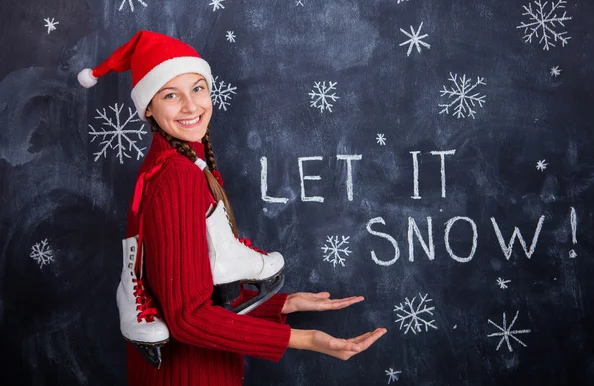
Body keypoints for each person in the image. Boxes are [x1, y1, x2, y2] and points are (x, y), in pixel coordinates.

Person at [78, 30, 386, 386]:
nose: (192, 106)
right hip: (190, 374)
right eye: (170, 95)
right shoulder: (177, 176)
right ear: (149, 107)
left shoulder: (176, 162)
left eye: (197, 88)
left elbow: (187, 285)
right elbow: (187, 318)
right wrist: (305, 339)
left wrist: (280, 304)